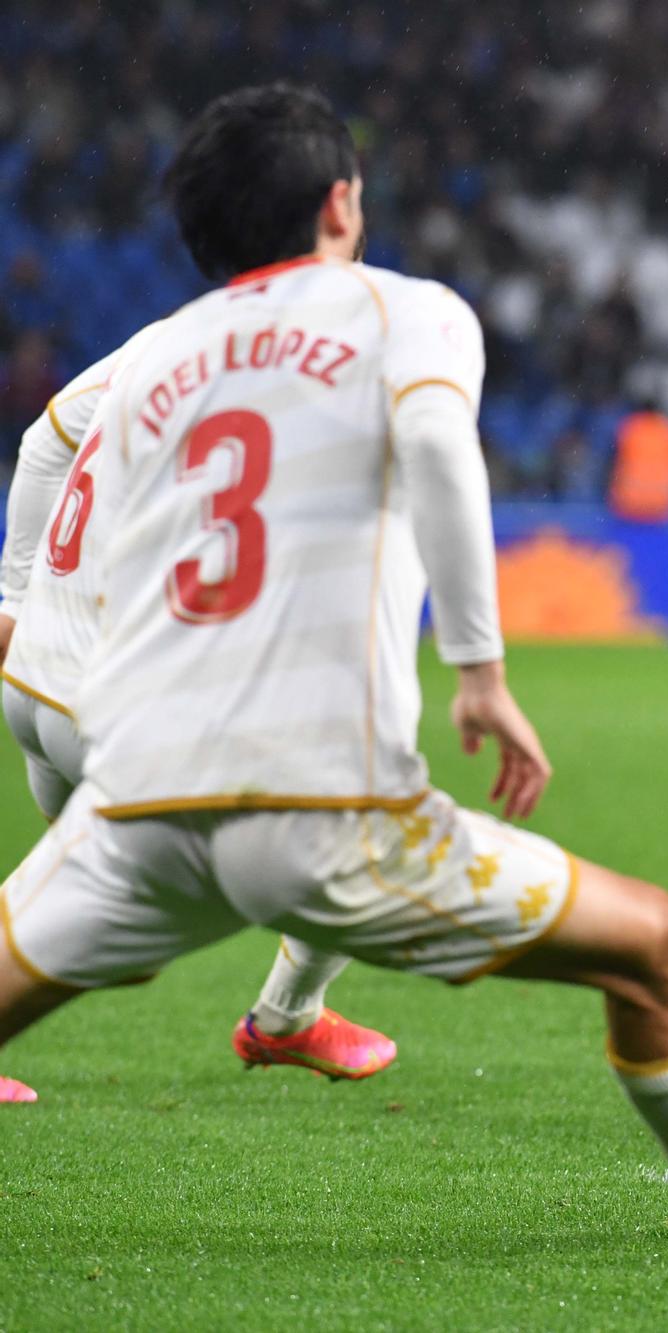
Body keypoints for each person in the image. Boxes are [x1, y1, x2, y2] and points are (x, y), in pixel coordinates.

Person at [0, 83, 668, 1300]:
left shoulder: (148, 365)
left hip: (136, 803)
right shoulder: (406, 312)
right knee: (663, 948)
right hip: (317, 810)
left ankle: (290, 1011)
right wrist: (481, 673)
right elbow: (441, 451)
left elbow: (79, 490)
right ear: (342, 203)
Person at [0, 325, 407, 1093]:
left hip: (34, 677)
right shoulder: (316, 367)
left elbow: (44, 438)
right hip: (119, 702)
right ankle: (286, 1018)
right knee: (367, 817)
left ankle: (288, 1013)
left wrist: (16, 597)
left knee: (64, 885)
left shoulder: (164, 338)